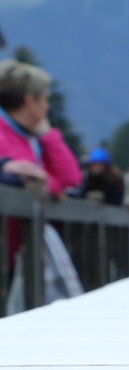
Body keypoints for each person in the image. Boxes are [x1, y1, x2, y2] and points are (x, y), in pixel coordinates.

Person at [0, 58, 83, 300]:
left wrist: (47, 135)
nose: (47, 107)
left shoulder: (28, 138)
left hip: (15, 250)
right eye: (45, 99)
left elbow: (70, 177)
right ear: (30, 100)